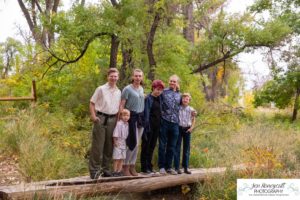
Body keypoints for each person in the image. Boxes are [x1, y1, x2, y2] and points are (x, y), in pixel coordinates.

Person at [89, 68, 121, 179]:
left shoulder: (118, 91)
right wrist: (93, 116)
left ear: (118, 77)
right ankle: (94, 171)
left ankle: (106, 169)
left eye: (115, 76)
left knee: (109, 146)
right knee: (98, 146)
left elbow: (118, 108)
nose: (113, 78)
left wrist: (117, 122)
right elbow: (92, 102)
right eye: (111, 76)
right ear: (108, 77)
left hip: (112, 120)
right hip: (100, 118)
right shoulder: (101, 89)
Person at [119, 69, 145, 176]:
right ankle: (125, 166)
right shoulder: (127, 89)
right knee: (131, 143)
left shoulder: (141, 89)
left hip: (140, 118)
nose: (138, 78)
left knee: (137, 144)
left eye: (140, 76)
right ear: (133, 77)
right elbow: (122, 104)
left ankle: (132, 166)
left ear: (142, 77)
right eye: (136, 76)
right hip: (131, 117)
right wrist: (121, 118)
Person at [158, 75, 181, 175]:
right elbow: (155, 98)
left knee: (172, 146)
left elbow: (184, 106)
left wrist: (192, 111)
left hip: (175, 123)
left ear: (177, 83)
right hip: (165, 121)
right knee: (162, 145)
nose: (172, 83)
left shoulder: (180, 95)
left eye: (174, 81)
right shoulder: (163, 92)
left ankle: (169, 167)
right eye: (171, 81)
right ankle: (161, 167)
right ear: (169, 81)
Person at [140, 80, 165, 174]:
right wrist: (145, 125)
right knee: (146, 146)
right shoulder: (148, 98)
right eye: (157, 89)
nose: (159, 91)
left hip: (157, 126)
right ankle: (144, 168)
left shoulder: (160, 98)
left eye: (161, 90)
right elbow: (145, 113)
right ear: (153, 88)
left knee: (152, 147)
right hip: (148, 126)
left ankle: (149, 167)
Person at [174, 93, 196, 174]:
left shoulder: (191, 109)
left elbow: (193, 119)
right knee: (177, 148)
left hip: (187, 129)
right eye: (183, 98)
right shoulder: (178, 108)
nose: (185, 100)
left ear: (189, 101)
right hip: (179, 128)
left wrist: (191, 128)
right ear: (181, 99)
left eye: (187, 99)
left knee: (186, 149)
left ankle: (185, 167)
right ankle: (177, 167)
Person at [112, 109, 130, 177]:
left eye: (128, 115)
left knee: (122, 158)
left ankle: (119, 171)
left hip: (124, 143)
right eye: (124, 115)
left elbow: (126, 135)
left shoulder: (127, 124)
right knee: (117, 158)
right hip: (118, 142)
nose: (126, 117)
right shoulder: (119, 124)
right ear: (121, 116)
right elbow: (115, 134)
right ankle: (115, 171)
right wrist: (115, 142)